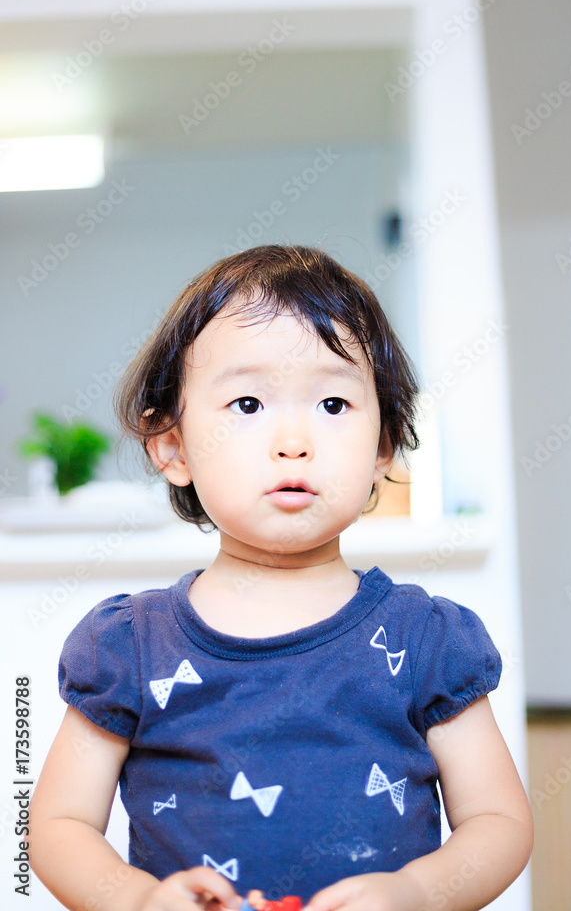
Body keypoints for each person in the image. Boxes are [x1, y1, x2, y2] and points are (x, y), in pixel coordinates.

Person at [30, 244, 533, 911]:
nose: (294, 441)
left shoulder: (425, 639)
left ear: (383, 446)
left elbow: (498, 822)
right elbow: (58, 826)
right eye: (247, 404)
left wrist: (416, 892)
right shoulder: (128, 644)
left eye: (333, 404)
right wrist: (139, 901)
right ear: (173, 446)